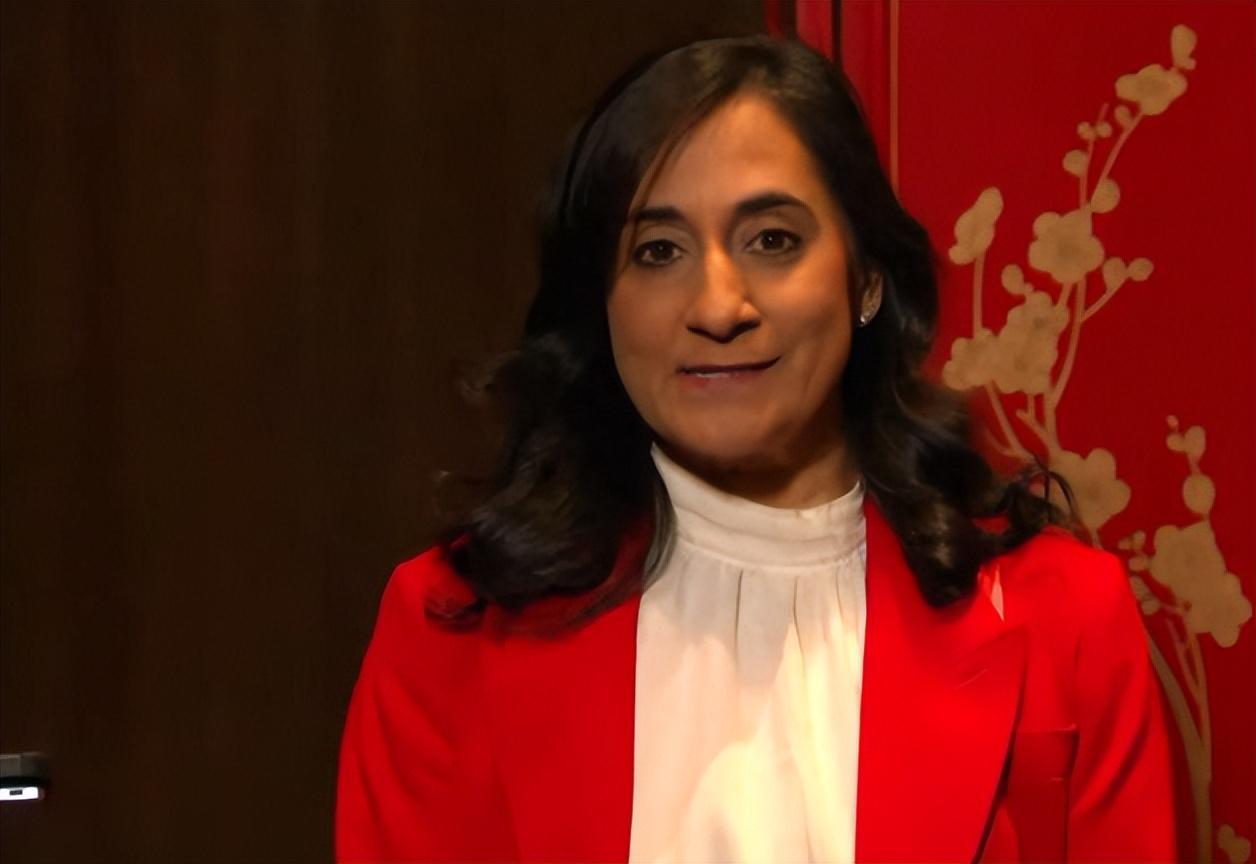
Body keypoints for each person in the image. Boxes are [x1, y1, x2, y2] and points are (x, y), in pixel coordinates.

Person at [335, 35, 1176, 863]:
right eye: (658, 252)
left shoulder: (1066, 619)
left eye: (772, 240)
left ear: (866, 279)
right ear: (602, 304)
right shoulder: (448, 629)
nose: (718, 306)